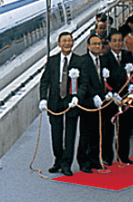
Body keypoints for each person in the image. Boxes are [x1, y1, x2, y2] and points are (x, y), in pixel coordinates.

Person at [38, 31, 79, 176]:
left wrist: (77, 97)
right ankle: (58, 160)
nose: (67, 43)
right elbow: (45, 81)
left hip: (71, 102)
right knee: (56, 134)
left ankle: (67, 164)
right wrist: (43, 98)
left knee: (70, 134)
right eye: (64, 41)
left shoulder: (79, 61)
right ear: (59, 44)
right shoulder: (52, 60)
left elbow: (84, 82)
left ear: (73, 43)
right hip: (55, 102)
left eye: (70, 40)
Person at [75, 32, 107, 173]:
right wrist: (93, 95)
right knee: (86, 133)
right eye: (94, 44)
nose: (97, 46)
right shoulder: (84, 61)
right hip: (88, 103)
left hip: (100, 103)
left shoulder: (102, 60)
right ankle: (83, 162)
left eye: (99, 44)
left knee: (97, 133)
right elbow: (84, 82)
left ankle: (94, 160)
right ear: (88, 46)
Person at [103, 29, 133, 164]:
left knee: (124, 129)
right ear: (109, 43)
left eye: (119, 41)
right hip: (111, 99)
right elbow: (102, 80)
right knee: (108, 130)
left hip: (126, 99)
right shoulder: (104, 58)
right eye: (114, 41)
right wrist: (111, 94)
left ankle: (123, 156)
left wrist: (132, 88)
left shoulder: (128, 55)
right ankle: (107, 157)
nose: (118, 43)